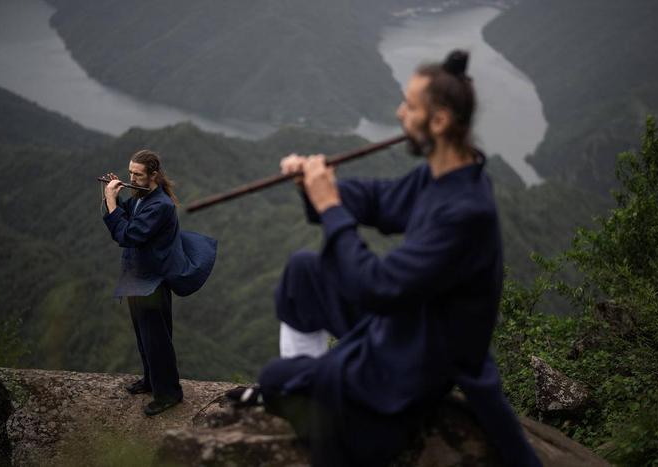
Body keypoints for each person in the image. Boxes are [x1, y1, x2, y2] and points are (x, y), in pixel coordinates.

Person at [229, 50, 541, 466]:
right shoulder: (442, 176)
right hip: (402, 326)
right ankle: (322, 381)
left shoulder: (465, 211)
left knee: (273, 379)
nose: (399, 113)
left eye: (409, 106)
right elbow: (381, 201)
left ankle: (325, 391)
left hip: (417, 357)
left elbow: (379, 287)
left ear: (440, 121)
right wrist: (319, 186)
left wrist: (330, 207)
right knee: (304, 271)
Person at [102, 150, 217, 416]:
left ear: (154, 175)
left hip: (152, 281)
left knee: (157, 339)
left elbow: (128, 234)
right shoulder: (141, 197)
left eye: (137, 174)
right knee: (144, 335)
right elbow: (122, 216)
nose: (132, 177)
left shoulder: (160, 205)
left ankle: (169, 394)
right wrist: (114, 198)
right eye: (130, 173)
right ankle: (151, 381)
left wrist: (110, 200)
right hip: (137, 276)